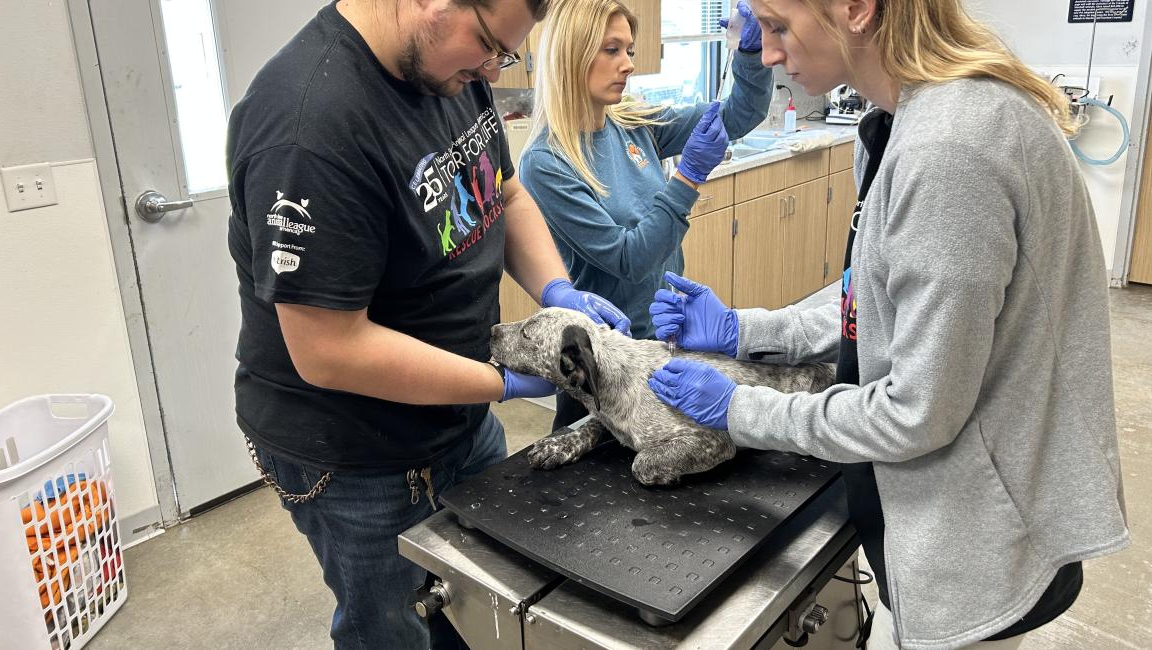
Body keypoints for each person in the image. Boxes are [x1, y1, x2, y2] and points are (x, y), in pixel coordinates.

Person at [644, 0, 1130, 648]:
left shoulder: (951, 151)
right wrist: (748, 331)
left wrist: (742, 410)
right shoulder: (912, 118)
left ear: (855, 9)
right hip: (948, 516)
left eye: (780, 27)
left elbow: (918, 413)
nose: (768, 54)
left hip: (979, 545)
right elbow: (875, 298)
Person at [225, 0, 633, 647]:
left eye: (506, 54)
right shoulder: (311, 128)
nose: (490, 70)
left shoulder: (452, 71)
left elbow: (505, 191)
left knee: (480, 608)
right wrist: (500, 381)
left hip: (458, 416)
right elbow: (329, 350)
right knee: (395, 627)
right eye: (488, 46)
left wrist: (558, 292)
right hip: (356, 456)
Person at [518, 0, 774, 430]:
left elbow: (738, 114)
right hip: (606, 364)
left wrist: (750, 54)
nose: (628, 65)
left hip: (667, 344)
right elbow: (629, 259)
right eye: (612, 50)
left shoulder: (633, 123)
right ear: (572, 54)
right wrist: (687, 178)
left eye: (630, 51)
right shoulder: (547, 163)